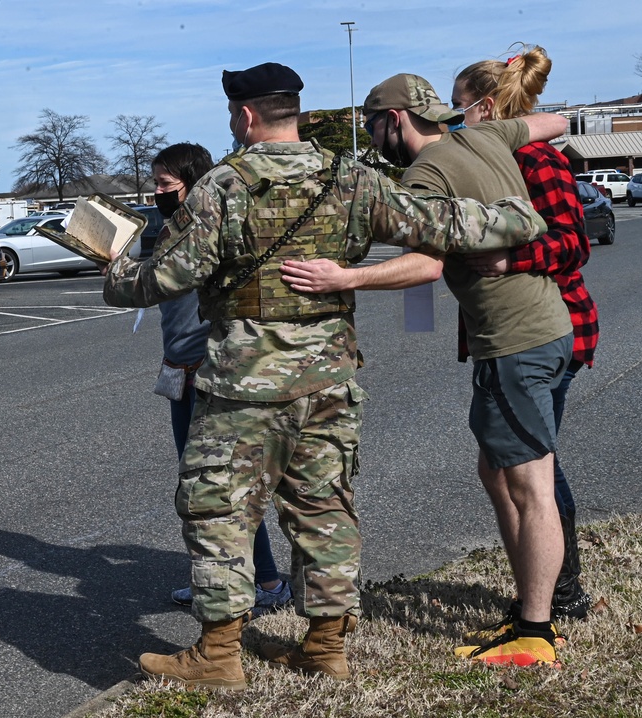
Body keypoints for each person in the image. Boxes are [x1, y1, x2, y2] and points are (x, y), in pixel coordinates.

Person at [102, 62, 549, 690]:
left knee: (219, 510)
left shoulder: (221, 188)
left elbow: (160, 280)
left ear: (246, 116)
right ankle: (325, 645)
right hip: (329, 380)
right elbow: (442, 224)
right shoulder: (353, 179)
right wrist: (521, 219)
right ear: (296, 112)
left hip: (243, 386)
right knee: (324, 508)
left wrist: (112, 268)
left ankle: (219, 655)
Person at [285, 72, 571, 668]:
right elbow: (558, 122)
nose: (371, 136)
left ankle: (537, 633)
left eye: (371, 125)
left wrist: (346, 278)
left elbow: (425, 266)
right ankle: (529, 611)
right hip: (544, 328)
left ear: (395, 120)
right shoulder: (485, 136)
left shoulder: (425, 176)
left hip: (514, 339)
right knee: (498, 471)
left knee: (530, 487)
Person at [451, 45, 597, 625]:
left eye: (462, 107)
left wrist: (512, 262)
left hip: (549, 327)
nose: (457, 119)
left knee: (534, 465)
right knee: (512, 463)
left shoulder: (537, 159)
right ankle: (553, 590)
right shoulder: (495, 158)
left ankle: (562, 596)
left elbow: (573, 242)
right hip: (513, 332)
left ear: (487, 108)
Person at [150, 142, 291, 614]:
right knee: (199, 487)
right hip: (180, 372)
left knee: (227, 487)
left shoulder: (206, 232)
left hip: (210, 373)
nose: (157, 193)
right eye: (155, 184)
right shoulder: (171, 228)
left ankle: (267, 582)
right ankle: (218, 580)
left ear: (194, 183)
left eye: (166, 185)